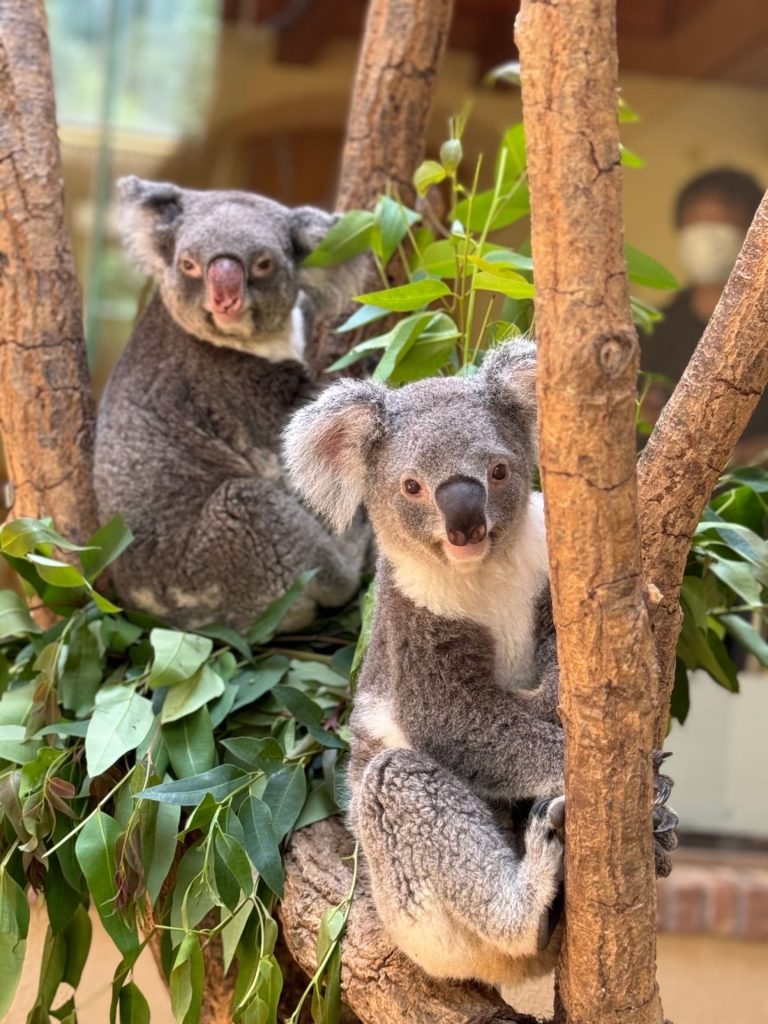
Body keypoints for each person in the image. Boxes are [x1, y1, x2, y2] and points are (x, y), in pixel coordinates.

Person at [642, 167, 767, 461]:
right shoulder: (654, 329)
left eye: (721, 224)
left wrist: (743, 458)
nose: (707, 240)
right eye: (697, 225)